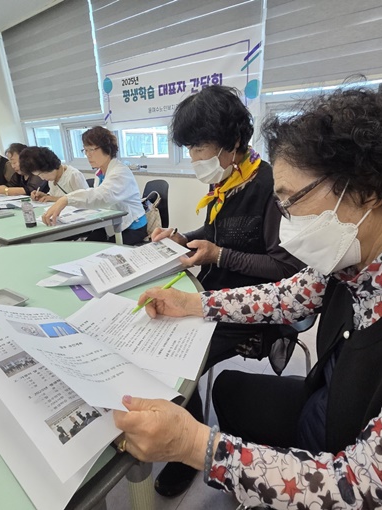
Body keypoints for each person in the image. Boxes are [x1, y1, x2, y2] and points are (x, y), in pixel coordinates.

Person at [113, 87, 382, 509]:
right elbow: (289, 295)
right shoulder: (365, 251)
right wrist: (195, 304)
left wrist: (193, 445)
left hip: (355, 466)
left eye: (291, 202)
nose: (285, 221)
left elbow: (360, 490)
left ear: (365, 190)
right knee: (229, 391)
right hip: (333, 407)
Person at [149, 85, 304, 497]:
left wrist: (219, 255)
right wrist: (183, 238)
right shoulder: (229, 179)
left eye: (199, 147)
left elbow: (284, 270)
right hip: (214, 292)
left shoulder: (269, 187)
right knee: (160, 330)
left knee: (174, 359)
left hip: (255, 307)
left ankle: (187, 451)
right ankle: (189, 426)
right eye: (190, 148)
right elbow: (219, 231)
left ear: (233, 142)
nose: (194, 158)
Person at [40, 126, 147, 246]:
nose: (88, 155)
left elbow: (102, 196)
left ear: (107, 149)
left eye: (91, 149)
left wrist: (65, 199)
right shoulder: (100, 172)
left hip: (132, 226)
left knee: (100, 251)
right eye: (85, 150)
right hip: (109, 224)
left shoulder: (120, 172)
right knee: (86, 246)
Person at [17, 146, 87, 200]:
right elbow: (55, 196)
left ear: (48, 167)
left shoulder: (73, 175)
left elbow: (84, 200)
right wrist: (45, 196)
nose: (42, 178)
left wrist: (53, 199)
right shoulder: (52, 179)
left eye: (41, 174)